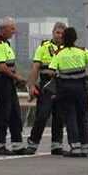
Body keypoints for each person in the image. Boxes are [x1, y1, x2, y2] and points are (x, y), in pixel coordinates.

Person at [48, 26, 88, 157]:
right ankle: (85, 147)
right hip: (81, 89)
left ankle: (75, 147)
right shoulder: (82, 51)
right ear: (75, 38)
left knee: (70, 117)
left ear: (63, 39)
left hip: (66, 90)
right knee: (82, 117)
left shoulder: (59, 54)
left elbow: (51, 71)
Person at [0, 18, 26, 154]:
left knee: (15, 112)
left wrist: (17, 77)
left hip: (9, 82)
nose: (14, 32)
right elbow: (2, 67)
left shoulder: (6, 44)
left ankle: (17, 145)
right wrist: (16, 77)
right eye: (12, 29)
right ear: (3, 29)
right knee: (3, 113)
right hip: (1, 81)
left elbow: (11, 66)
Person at [25, 25, 65, 154]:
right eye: (57, 32)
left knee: (59, 116)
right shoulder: (43, 47)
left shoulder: (68, 48)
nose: (59, 35)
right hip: (46, 86)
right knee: (42, 115)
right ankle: (33, 143)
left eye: (62, 33)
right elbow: (36, 67)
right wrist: (32, 86)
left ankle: (56, 144)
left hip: (62, 86)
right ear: (53, 33)